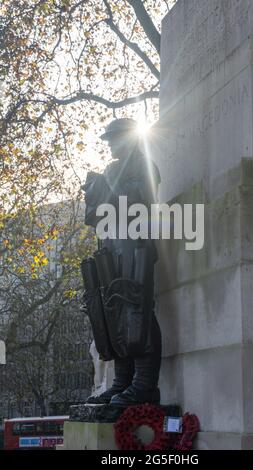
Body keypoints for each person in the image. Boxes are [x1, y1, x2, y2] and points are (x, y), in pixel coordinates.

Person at [82, 118, 162, 407]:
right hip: (111, 246)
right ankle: (122, 381)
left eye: (115, 139)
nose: (111, 145)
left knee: (138, 310)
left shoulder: (144, 166)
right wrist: (95, 192)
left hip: (135, 247)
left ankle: (144, 384)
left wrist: (109, 190)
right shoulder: (111, 170)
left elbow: (144, 204)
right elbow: (94, 216)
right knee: (114, 312)